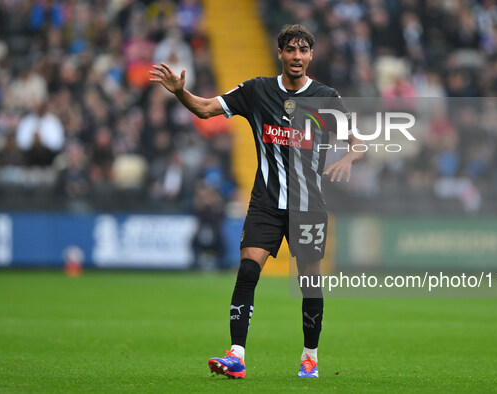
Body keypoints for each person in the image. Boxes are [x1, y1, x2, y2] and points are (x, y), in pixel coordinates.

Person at [149, 24, 363, 379]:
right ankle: (236, 355)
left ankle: (309, 357)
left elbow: (358, 143)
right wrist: (180, 92)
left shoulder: (326, 96)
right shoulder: (256, 90)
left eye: (303, 51)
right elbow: (203, 109)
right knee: (248, 270)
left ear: (311, 55)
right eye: (290, 50)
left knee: (309, 282)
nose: (297, 57)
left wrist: (347, 158)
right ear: (279, 53)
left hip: (308, 207)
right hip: (266, 202)